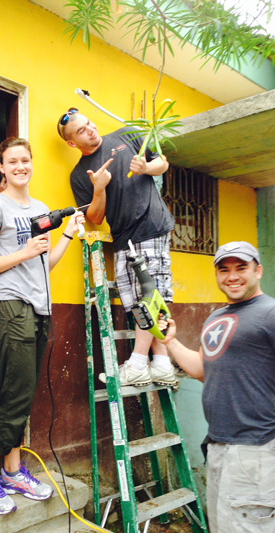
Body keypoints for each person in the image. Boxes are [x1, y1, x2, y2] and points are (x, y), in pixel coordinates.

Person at [0, 137, 85, 515]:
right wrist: (23, 251)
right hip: (10, 306)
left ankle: (14, 469)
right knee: (16, 393)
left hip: (38, 308)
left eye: (25, 160)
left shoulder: (39, 209)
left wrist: (67, 235)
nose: (20, 166)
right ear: (1, 168)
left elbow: (43, 264)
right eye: (12, 161)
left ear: (31, 164)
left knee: (24, 392)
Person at [158, 241, 275, 533]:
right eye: (224, 270)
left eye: (241, 268)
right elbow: (201, 369)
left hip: (256, 447)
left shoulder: (270, 313)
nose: (232, 276)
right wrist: (170, 341)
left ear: (258, 271)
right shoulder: (216, 317)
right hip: (219, 444)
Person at [57, 108, 177, 387]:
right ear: (71, 143)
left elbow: (163, 163)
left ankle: (137, 363)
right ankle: (161, 364)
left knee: (149, 294)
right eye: (81, 130)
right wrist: (98, 188)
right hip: (124, 236)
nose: (90, 129)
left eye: (88, 123)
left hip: (150, 225)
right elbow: (96, 218)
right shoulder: (79, 175)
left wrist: (146, 168)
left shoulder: (126, 134)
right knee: (141, 300)